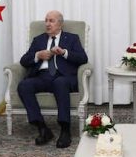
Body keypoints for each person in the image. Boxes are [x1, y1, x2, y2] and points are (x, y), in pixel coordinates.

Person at [18, 10, 88, 148]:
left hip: (63, 77)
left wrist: (64, 52)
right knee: (24, 85)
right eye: (46, 20)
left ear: (60, 24)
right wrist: (38, 55)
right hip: (42, 77)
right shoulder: (38, 40)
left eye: (51, 21)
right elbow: (24, 61)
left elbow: (83, 58)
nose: (47, 24)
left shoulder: (72, 38)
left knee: (60, 83)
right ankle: (42, 128)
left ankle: (65, 130)